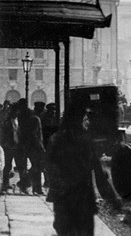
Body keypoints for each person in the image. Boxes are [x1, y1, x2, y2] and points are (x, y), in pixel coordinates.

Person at [46, 96, 122, 235]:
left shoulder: (56, 139)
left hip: (66, 201)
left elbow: (50, 170)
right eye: (83, 118)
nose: (86, 121)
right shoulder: (86, 142)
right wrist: (112, 199)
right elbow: (99, 175)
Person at [16, 98, 45, 195]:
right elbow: (35, 135)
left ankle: (28, 185)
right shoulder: (35, 118)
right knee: (36, 167)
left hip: (26, 145)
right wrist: (41, 146)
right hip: (33, 146)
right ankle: (33, 187)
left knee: (34, 167)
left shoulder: (29, 116)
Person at [0, 103, 21, 194]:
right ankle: (5, 183)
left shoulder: (16, 119)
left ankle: (20, 184)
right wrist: (5, 144)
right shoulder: (7, 121)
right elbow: (4, 133)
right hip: (9, 145)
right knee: (8, 165)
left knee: (19, 165)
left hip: (16, 145)